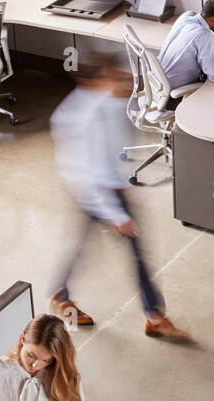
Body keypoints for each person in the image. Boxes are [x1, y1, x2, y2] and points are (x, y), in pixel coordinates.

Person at [48, 52, 189, 341]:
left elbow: (114, 150)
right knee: (136, 253)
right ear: (93, 80)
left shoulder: (110, 102)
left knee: (83, 245)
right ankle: (155, 316)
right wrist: (116, 215)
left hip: (110, 188)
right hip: (94, 193)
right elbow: (85, 175)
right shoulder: (79, 119)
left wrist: (120, 182)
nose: (125, 85)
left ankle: (60, 294)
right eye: (116, 79)